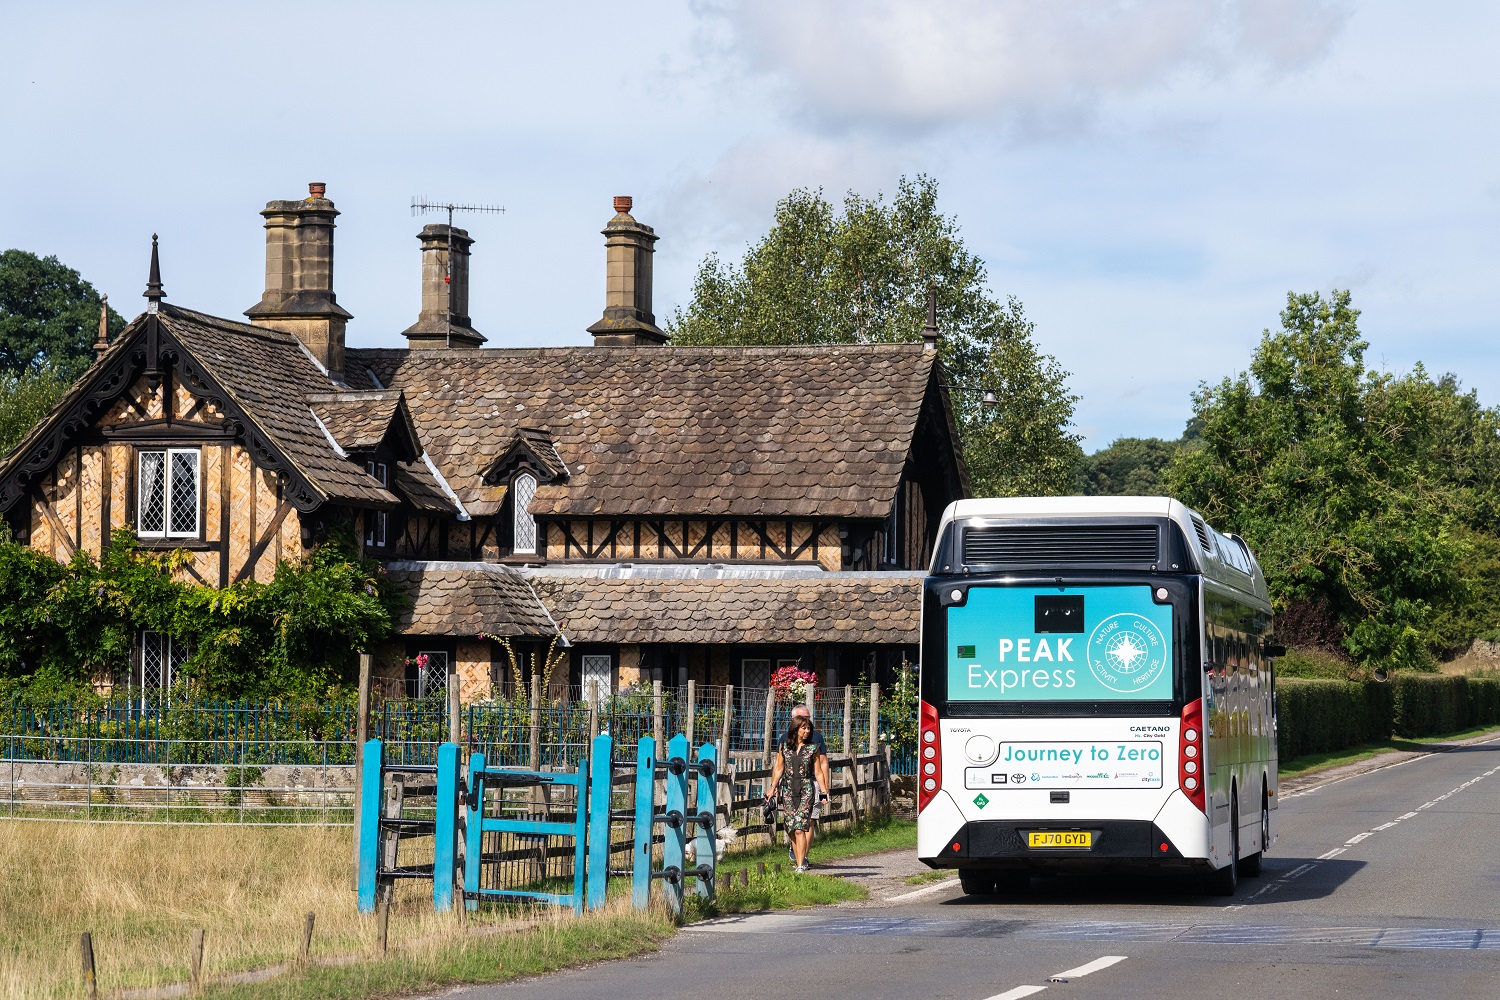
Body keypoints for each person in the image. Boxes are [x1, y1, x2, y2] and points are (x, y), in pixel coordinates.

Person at [766, 715, 820, 872]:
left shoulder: (813, 748)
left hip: (806, 789)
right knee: (790, 828)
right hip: (788, 789)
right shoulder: (785, 747)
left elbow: (818, 772)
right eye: (804, 727)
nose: (807, 731)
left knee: (800, 827)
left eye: (809, 728)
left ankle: (800, 865)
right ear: (795, 729)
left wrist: (823, 792)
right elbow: (778, 768)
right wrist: (772, 788)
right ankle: (799, 860)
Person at [790, 704, 832, 863]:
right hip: (793, 786)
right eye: (803, 718)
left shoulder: (817, 737)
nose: (807, 723)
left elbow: (823, 764)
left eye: (808, 718)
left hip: (814, 783)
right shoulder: (785, 739)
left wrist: (825, 791)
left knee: (809, 821)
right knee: (795, 823)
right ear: (793, 720)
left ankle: (803, 857)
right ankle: (796, 847)